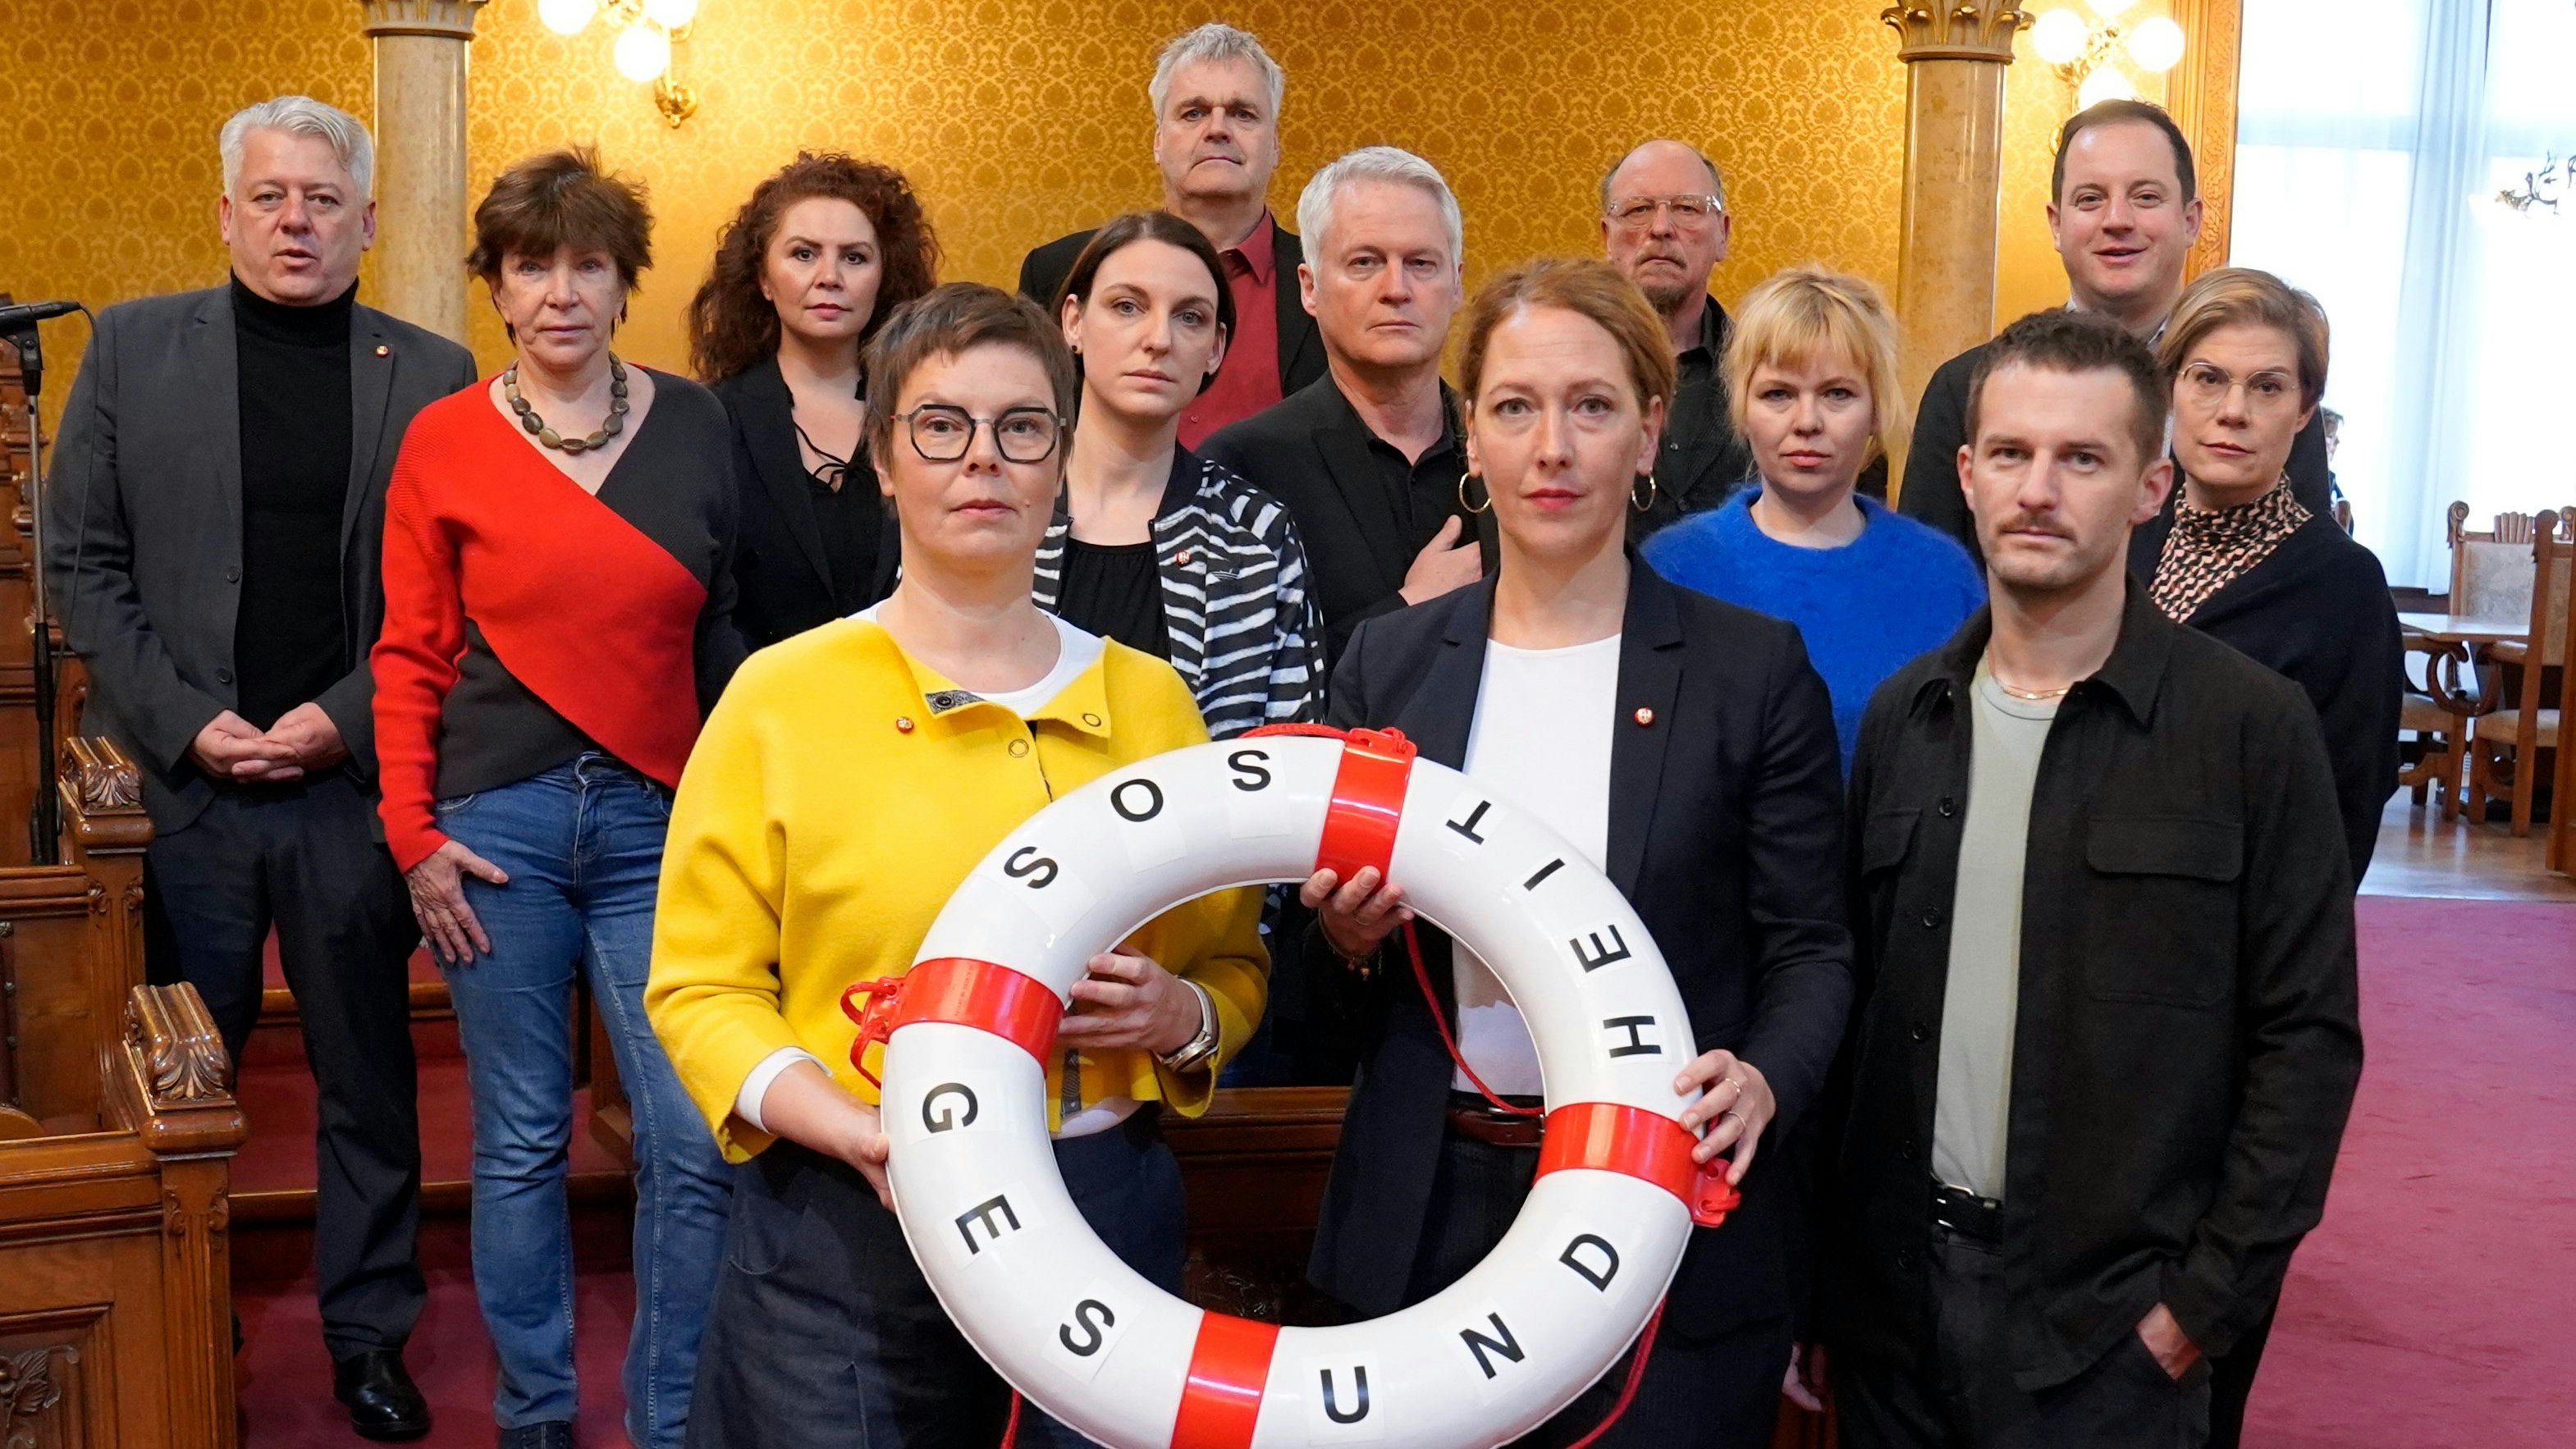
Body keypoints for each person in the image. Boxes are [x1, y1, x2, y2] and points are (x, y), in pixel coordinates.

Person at [646, 282, 1267, 1449]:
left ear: (1059, 456)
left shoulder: (1152, 700)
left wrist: (1178, 1014)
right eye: (940, 426)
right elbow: (699, 987)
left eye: (1021, 427)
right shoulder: (780, 696)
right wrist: (841, 1123)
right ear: (884, 457)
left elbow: (1231, 968)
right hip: (847, 1220)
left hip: (1099, 1209)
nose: (981, 459)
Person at [1297, 258, 1852, 1447]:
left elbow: (1812, 949)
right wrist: (1344, 936)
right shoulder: (1383, 666)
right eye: (1513, 406)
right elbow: (1321, 968)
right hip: (1426, 1206)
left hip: (1663, 1214)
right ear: (1474, 437)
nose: (1550, 445)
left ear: (1648, 431)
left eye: (1591, 406)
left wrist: (1762, 1076)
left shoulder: (1748, 672)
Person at [1825, 309, 2364, 1449]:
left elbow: (2304, 1038)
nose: (2037, 489)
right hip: (1893, 1320)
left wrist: (2198, 1307)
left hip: (2110, 1338)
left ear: (2147, 486)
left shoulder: (2246, 728)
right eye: (2011, 455)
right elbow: (1854, 1007)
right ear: (1965, 476)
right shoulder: (1902, 718)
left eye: (2081, 458)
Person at [41, 94, 472, 1443]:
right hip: (180, 795)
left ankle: (366, 1337)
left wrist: (340, 716)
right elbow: (82, 571)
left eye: (323, 199)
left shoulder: (436, 373)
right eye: (271, 197)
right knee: (179, 1079)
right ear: (228, 210)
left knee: (365, 1078)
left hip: (348, 785)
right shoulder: (128, 348)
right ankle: (185, 1309)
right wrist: (181, 718)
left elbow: (449, 589)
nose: (297, 220)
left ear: (364, 219)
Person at [369, 148, 740, 1449]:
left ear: (624, 281)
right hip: (494, 834)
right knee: (521, 1138)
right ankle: (536, 1416)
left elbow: (729, 646)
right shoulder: (444, 438)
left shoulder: (696, 423)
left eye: (589, 264)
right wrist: (413, 837)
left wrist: (733, 825)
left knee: (693, 1140)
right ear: (499, 286)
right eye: (535, 266)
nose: (563, 291)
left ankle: (668, 1417)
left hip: (660, 826)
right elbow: (409, 655)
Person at [1898, 100, 2331, 565]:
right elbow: (1928, 586)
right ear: (2057, 225)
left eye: (2146, 197)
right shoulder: (1961, 387)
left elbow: (2305, 570)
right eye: (2090, 199)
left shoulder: (2262, 394)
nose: (2117, 220)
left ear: (2190, 221)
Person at [1643, 264, 1981, 769]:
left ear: (1875, 411)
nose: (1807, 422)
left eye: (1837, 394)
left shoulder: (1942, 573)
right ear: (1742, 408)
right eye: (1778, 394)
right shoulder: (1672, 567)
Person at [2140, 273, 2400, 886]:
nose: (2232, 412)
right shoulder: (2120, 540)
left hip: (2241, 928)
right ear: (2170, 389)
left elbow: (2348, 809)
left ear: (2304, 409)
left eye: (2267, 387)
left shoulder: (2345, 586)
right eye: (2207, 379)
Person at [1201, 146, 1484, 665]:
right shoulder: (1239, 466)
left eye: (1421, 264)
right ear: (1309, 288)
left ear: (1457, 284)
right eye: (1365, 263)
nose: (1396, 289)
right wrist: (1408, 609)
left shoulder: (1511, 451)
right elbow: (1234, 680)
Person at [1044, 211, 1322, 734]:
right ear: (1073, 322)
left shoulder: (1258, 537)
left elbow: (1292, 754)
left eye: (1189, 317)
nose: (1158, 339)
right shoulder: (994, 501)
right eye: (1127, 307)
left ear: (1216, 348)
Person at [1018, 22, 1321, 446]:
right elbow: (1027, 422)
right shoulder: (1058, 270)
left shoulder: (1330, 280)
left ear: (1275, 146)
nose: (1217, 129)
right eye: (1193, 112)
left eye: (1242, 113)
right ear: (1159, 142)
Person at [689, 153, 939, 647]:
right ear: (763, 278)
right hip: (760, 705)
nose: (829, 276)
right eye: (804, 254)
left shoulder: (930, 417)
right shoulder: (710, 420)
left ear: (884, 277)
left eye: (855, 257)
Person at [1597, 138, 1757, 534]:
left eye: (1687, 208)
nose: (1661, 229)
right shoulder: (1564, 373)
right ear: (1607, 238)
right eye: (1638, 210)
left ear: (1723, 234)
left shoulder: (1769, 373)